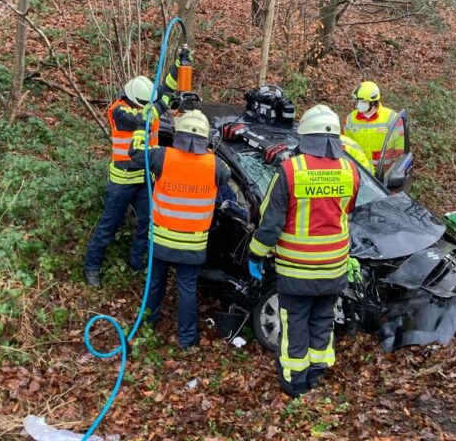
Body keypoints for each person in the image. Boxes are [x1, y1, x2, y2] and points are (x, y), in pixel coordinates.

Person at [248, 105, 360, 397]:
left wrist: (256, 254)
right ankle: (317, 376)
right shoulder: (350, 170)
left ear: (305, 137)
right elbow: (347, 210)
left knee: (294, 323)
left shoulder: (291, 171)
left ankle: (294, 383)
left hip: (297, 269)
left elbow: (270, 223)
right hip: (333, 267)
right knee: (323, 320)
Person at [82, 53, 187, 287]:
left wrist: (178, 67)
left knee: (147, 224)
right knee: (109, 224)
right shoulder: (119, 111)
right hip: (123, 180)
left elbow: (165, 87)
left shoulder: (147, 100)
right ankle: (91, 267)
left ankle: (137, 263)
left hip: (145, 177)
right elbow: (143, 118)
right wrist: (162, 103)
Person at [130, 109, 230, 349]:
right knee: (187, 290)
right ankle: (186, 339)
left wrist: (141, 128)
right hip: (191, 246)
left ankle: (147, 325)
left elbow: (135, 153)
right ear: (205, 139)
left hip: (161, 240)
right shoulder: (216, 166)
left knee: (155, 283)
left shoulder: (162, 156)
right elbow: (225, 179)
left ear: (179, 135)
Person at [343, 81, 403, 169]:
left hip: (384, 171)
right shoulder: (350, 119)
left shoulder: (392, 118)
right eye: (358, 101)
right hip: (360, 171)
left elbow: (400, 149)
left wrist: (396, 170)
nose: (359, 104)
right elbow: (345, 145)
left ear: (373, 102)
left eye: (363, 101)